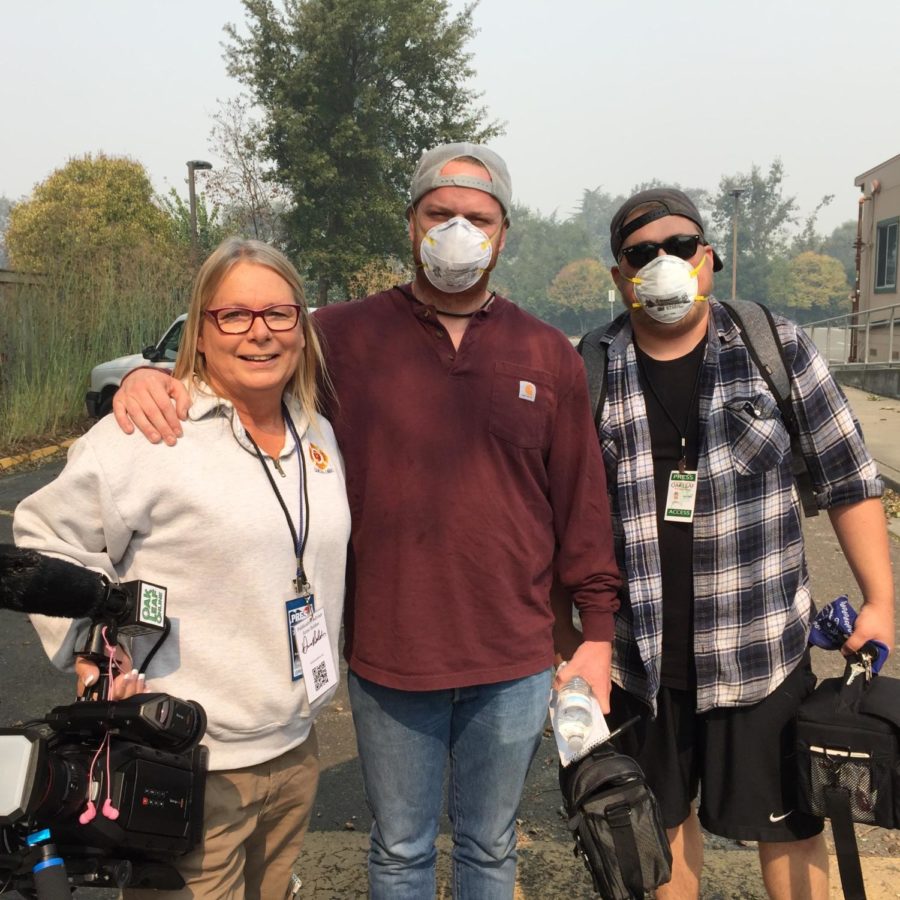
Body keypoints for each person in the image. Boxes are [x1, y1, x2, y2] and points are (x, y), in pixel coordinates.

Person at [109, 143, 621, 899]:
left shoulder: (547, 354)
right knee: (402, 848)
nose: (457, 231)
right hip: (391, 652)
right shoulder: (339, 339)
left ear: (504, 232)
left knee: (490, 847)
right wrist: (155, 381)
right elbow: (243, 364)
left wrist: (598, 635)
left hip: (513, 656)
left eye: (476, 218)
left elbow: (581, 502)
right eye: (439, 213)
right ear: (411, 224)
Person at [555, 188, 895, 900]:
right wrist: (569, 641)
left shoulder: (771, 345)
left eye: (680, 246)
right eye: (641, 254)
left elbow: (850, 476)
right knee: (659, 833)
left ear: (708, 257)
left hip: (760, 651)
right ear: (620, 277)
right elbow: (562, 520)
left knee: (792, 828)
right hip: (641, 663)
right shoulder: (591, 368)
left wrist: (882, 602)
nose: (664, 263)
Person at [14, 238, 351, 899]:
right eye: (235, 315)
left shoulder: (316, 430)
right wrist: (94, 649)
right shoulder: (151, 430)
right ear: (201, 328)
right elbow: (45, 533)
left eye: (279, 314)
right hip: (187, 760)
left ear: (302, 327)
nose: (260, 333)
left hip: (292, 747)